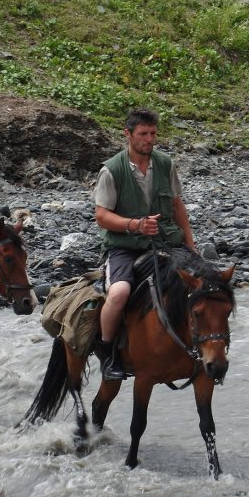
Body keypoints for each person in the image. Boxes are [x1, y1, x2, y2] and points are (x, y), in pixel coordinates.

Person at [93, 108, 196, 380]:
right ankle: (108, 353)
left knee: (205, 282)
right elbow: (101, 216)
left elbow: (176, 205)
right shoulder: (111, 170)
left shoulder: (165, 164)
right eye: (143, 134)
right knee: (118, 295)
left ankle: (205, 344)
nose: (149, 139)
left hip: (167, 242)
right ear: (128, 134)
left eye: (153, 133)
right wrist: (134, 224)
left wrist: (190, 244)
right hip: (124, 247)